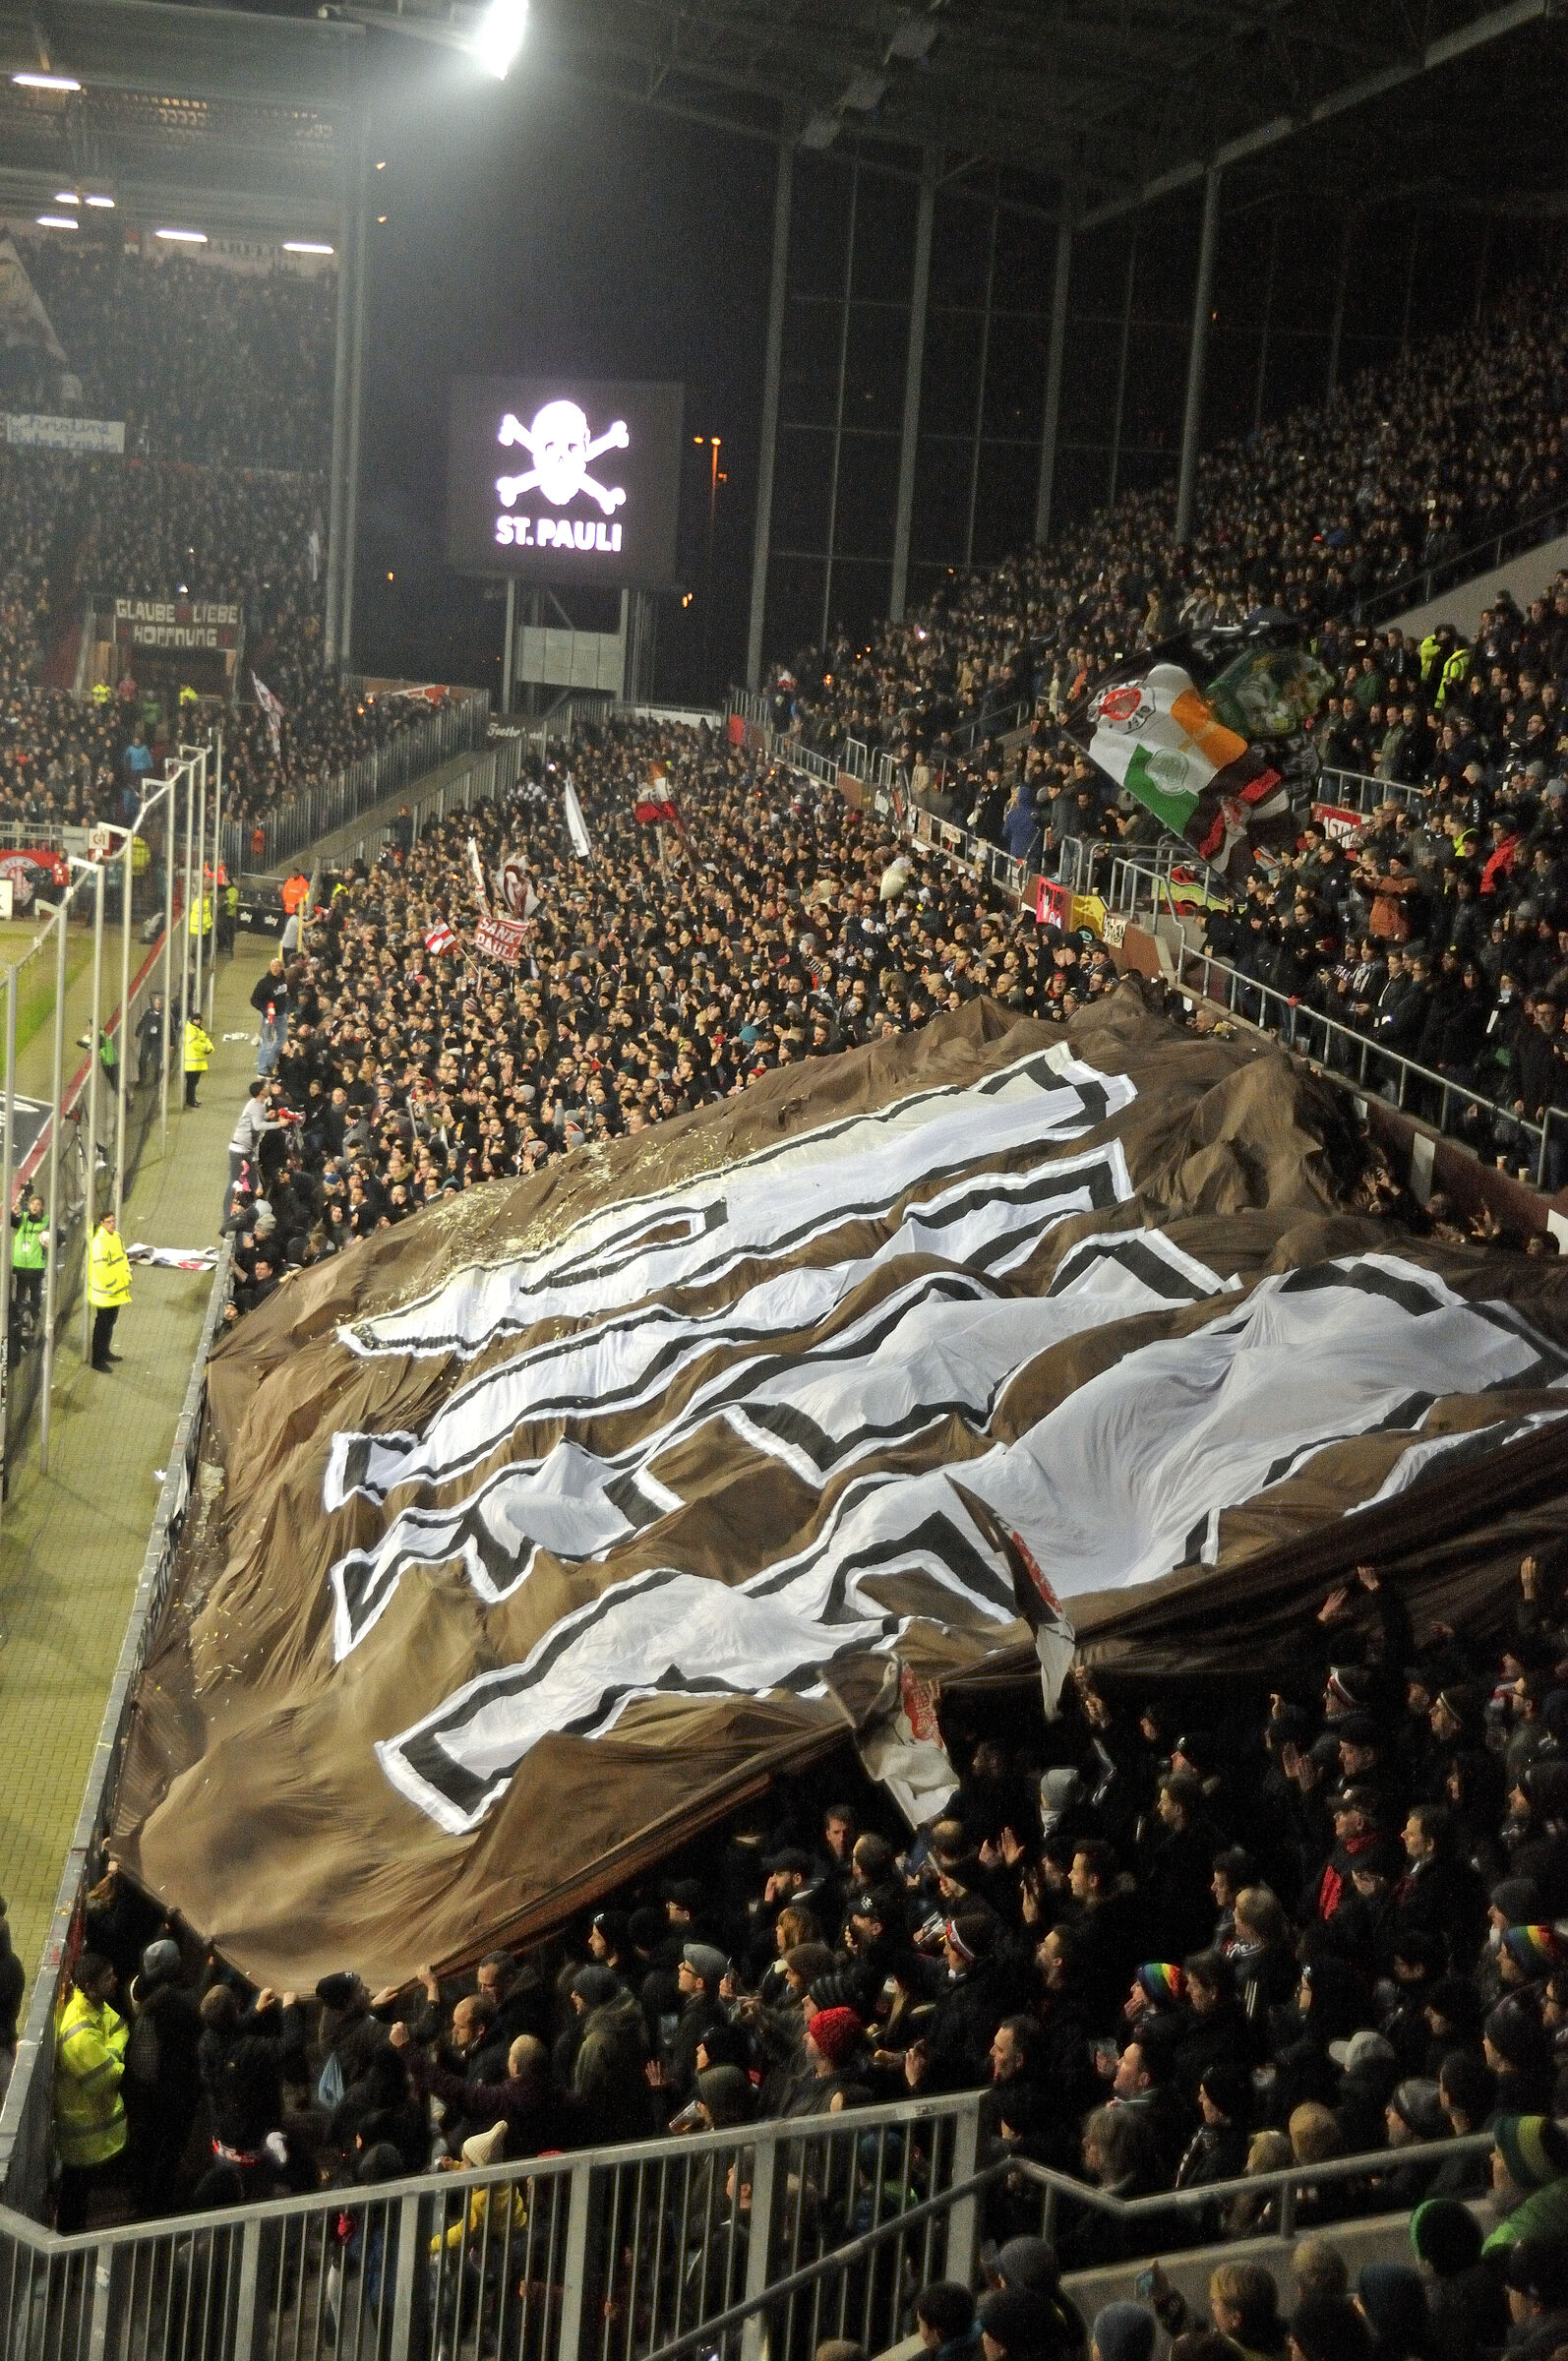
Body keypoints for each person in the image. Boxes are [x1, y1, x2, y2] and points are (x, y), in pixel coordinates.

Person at [54, 1951, 129, 2232]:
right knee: (75, 2197)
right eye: (107, 1977)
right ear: (89, 1986)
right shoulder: (79, 2034)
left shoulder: (93, 2005)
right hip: (83, 2137)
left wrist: (110, 2053)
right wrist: (115, 2058)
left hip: (94, 2131)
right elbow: (107, 2078)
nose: (115, 1980)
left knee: (82, 2194)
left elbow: (120, 2026)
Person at [88, 1210, 130, 1371]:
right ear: (102, 1223)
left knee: (110, 1323)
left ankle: (105, 1352)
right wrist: (112, 1284)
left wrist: (127, 1276)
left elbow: (122, 1259)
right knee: (102, 1326)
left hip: (116, 1291)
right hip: (105, 1293)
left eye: (113, 1221)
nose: (112, 1224)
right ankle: (97, 1360)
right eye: (109, 1221)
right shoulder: (99, 1243)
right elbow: (101, 1268)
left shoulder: (117, 1237)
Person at [10, 1191, 47, 1339]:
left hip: (36, 1266)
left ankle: (34, 1319)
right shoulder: (23, 1218)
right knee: (20, 1295)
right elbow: (13, 1221)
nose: (35, 1207)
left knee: (35, 1295)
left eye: (38, 1204)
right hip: (21, 1266)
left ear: (42, 1207)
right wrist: (13, 1213)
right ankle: (19, 1323)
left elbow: (57, 1237)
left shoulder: (46, 1221)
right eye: (33, 1204)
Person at [183, 1012, 212, 1108]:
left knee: (194, 1083)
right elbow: (195, 1044)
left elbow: (205, 1039)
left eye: (199, 1020)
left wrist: (210, 1047)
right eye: (196, 1020)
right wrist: (206, 1048)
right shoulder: (190, 1030)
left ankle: (192, 1099)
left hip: (197, 1063)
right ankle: (190, 1101)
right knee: (191, 1084)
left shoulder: (198, 1029)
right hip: (191, 1063)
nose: (198, 1022)